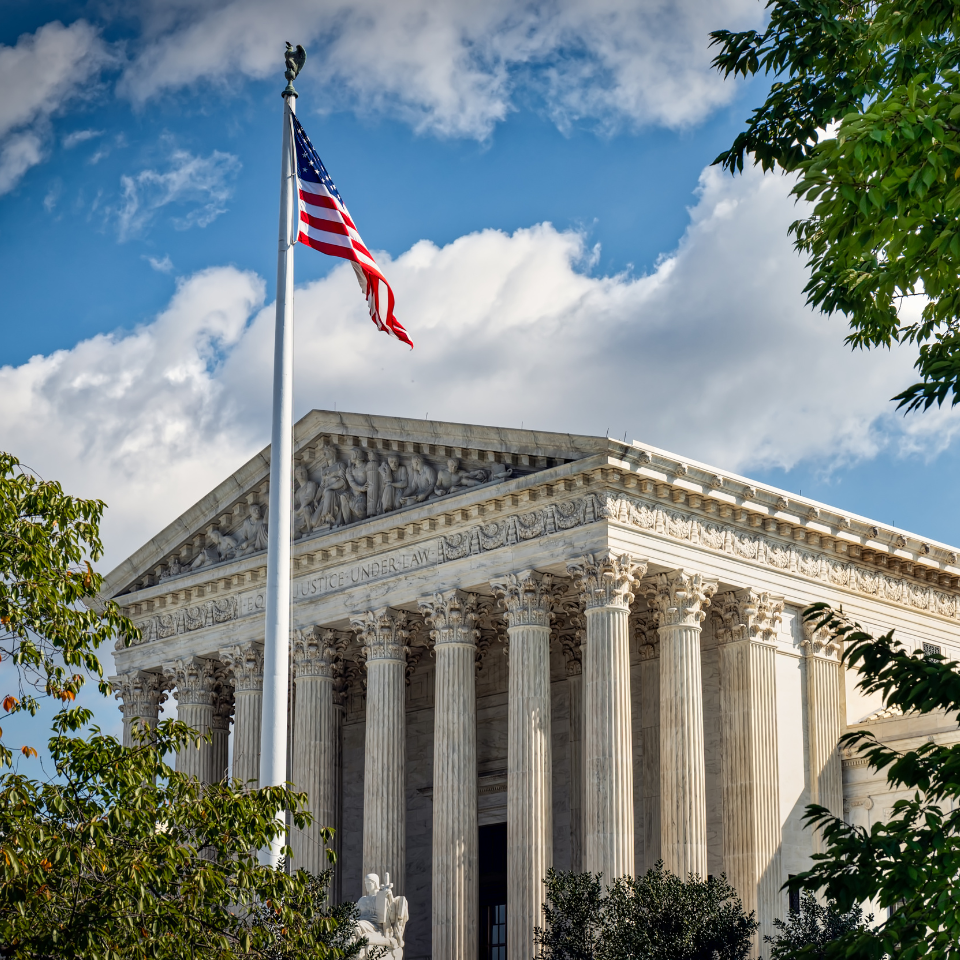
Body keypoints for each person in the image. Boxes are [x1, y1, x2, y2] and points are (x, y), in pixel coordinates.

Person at [355, 873, 408, 960]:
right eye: (365, 883)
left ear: (375, 884)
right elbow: (355, 915)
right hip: (362, 922)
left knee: (356, 925)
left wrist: (389, 897)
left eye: (369, 883)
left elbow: (391, 916)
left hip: (375, 926)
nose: (366, 885)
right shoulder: (362, 899)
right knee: (351, 926)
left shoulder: (380, 897)